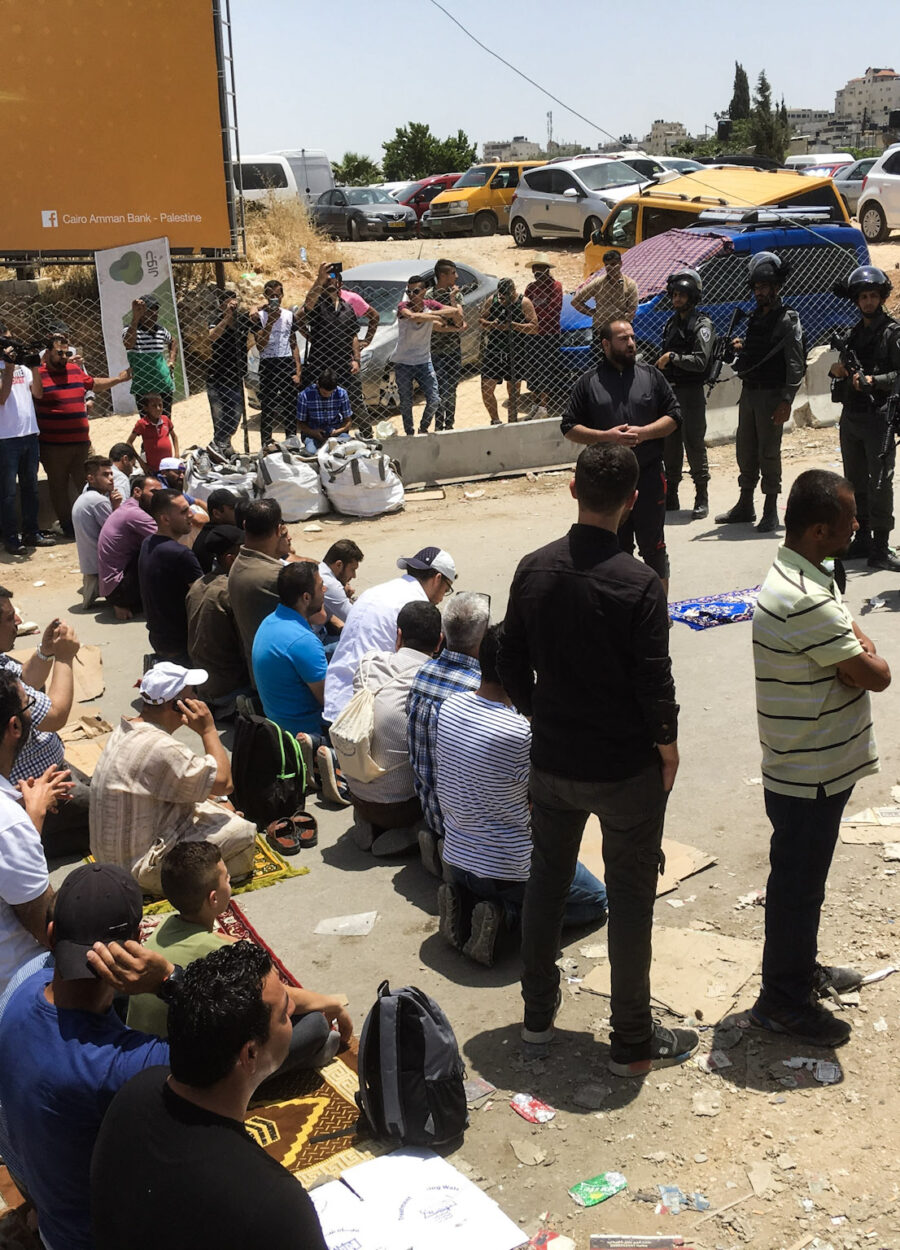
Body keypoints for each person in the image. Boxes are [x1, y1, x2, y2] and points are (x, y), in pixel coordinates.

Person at [498, 444, 698, 1075]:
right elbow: (653, 681)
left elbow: (507, 660)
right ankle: (631, 1043)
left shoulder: (532, 569)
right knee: (631, 901)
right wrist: (667, 748)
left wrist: (540, 715)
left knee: (547, 885)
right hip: (625, 770)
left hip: (554, 764)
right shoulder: (640, 582)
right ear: (633, 501)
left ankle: (536, 1018)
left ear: (571, 489)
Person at [750, 469, 891, 1045]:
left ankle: (797, 974)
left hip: (809, 765)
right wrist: (857, 663)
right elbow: (877, 674)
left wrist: (852, 658)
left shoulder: (806, 573)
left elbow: (856, 650)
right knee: (798, 887)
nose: (857, 526)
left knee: (803, 882)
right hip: (808, 774)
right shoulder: (803, 600)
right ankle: (781, 1000)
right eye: (848, 521)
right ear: (816, 529)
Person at [91, 941, 331, 1250]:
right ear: (250, 1053)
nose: (293, 1009)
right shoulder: (274, 1202)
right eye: (283, 1014)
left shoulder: (136, 1091)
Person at [0, 863, 173, 1250]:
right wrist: (167, 981)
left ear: (50, 934)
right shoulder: (128, 1064)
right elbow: (237, 1037)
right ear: (138, 945)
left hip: (49, 1213)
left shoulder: (19, 992)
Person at [435, 626, 607, 967]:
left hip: (456, 855)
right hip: (509, 871)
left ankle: (469, 901)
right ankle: (507, 915)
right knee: (595, 901)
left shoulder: (450, 706)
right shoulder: (520, 733)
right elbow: (549, 801)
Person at [126, 842, 351, 1055]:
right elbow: (283, 998)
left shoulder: (165, 928)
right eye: (227, 879)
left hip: (145, 1048)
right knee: (313, 1024)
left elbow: (202, 942)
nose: (230, 881)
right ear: (213, 899)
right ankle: (311, 1054)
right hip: (186, 1064)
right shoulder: (221, 952)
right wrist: (332, 1003)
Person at [90, 662, 257, 894]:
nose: (199, 698)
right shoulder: (162, 747)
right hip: (139, 872)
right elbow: (224, 783)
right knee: (244, 833)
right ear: (177, 706)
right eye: (193, 694)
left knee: (217, 804)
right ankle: (202, 884)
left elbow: (185, 781)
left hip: (112, 862)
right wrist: (208, 730)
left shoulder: (126, 729)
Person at [562, 320, 681, 594]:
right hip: (609, 481)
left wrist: (645, 433)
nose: (630, 344)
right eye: (622, 339)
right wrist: (607, 437)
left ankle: (657, 610)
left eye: (632, 337)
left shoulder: (651, 376)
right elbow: (569, 427)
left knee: (654, 547)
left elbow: (675, 416)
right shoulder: (589, 382)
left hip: (649, 475)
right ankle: (621, 606)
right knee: (614, 547)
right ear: (606, 345)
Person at [715, 251, 806, 534]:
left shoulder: (787, 318)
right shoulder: (754, 318)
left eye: (764, 287)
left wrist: (787, 400)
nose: (759, 292)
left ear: (776, 288)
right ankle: (745, 504)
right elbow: (752, 356)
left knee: (769, 453)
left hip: (771, 396)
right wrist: (737, 351)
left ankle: (770, 509)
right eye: (756, 287)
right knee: (746, 450)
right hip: (750, 393)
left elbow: (795, 364)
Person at [346, 600, 442, 856]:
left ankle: (369, 822)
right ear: (439, 641)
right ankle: (411, 832)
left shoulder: (367, 664)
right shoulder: (430, 680)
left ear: (398, 635)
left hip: (355, 792)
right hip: (400, 807)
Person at [324, 545, 457, 724]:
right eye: (446, 589)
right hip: (363, 710)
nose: (442, 597)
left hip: (334, 698)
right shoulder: (415, 606)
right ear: (437, 578)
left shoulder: (378, 591)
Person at [407, 590, 490, 875]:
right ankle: (458, 858)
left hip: (430, 809)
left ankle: (442, 843)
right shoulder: (480, 689)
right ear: (483, 639)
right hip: (470, 824)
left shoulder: (423, 673)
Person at [0, 668, 72, 993]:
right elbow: (48, 929)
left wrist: (28, 808)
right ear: (15, 726)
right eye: (29, 705)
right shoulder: (10, 823)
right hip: (17, 981)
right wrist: (32, 820)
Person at [0, 591, 88, 855]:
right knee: (114, 814)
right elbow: (56, 716)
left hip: (49, 769)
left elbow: (25, 681)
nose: (17, 621)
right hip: (30, 790)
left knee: (105, 791)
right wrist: (64, 658)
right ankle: (30, 839)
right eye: (7, 618)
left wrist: (46, 652)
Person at [830, 265, 900, 571]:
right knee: (854, 481)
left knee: (880, 483)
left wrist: (875, 381)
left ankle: (881, 546)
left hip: (880, 417)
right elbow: (840, 372)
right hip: (853, 417)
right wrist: (839, 371)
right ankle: (862, 538)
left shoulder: (893, 334)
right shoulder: (852, 335)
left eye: (873, 296)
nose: (868, 301)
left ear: (881, 298)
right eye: (863, 297)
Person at [35, 328, 130, 535]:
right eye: (59, 353)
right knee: (58, 487)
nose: (63, 357)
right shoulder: (38, 375)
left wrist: (119, 380)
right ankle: (68, 527)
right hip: (53, 446)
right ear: (48, 352)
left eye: (66, 353)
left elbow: (94, 383)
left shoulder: (75, 370)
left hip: (82, 444)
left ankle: (99, 523)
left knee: (91, 481)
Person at [656, 268, 716, 520]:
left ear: (692, 297)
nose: (676, 299)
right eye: (675, 295)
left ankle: (701, 496)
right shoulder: (671, 324)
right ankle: (672, 495)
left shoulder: (702, 324)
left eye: (682, 295)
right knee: (670, 446)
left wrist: (673, 357)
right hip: (671, 392)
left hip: (691, 393)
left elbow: (701, 361)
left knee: (694, 445)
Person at [302, 260, 380, 437]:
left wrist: (357, 358)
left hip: (345, 363)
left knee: (355, 401)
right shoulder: (318, 304)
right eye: (327, 280)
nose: (330, 282)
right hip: (321, 364)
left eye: (332, 279)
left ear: (340, 283)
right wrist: (318, 280)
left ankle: (367, 436)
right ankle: (314, 436)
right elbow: (307, 306)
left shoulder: (347, 307)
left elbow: (353, 334)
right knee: (316, 400)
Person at [252, 561, 328, 739]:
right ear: (306, 598)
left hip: (278, 724)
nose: (324, 590)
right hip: (307, 734)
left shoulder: (269, 621)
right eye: (320, 586)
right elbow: (330, 702)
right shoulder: (303, 641)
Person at [0, 328, 54, 554]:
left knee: (31, 487)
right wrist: (9, 367)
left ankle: (32, 532)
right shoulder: (6, 368)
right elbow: (2, 398)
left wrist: (34, 366)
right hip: (6, 438)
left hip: (30, 434)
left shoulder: (23, 367)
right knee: (8, 492)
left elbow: (38, 394)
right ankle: (11, 537)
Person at [186, 524, 251, 710]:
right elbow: (246, 645)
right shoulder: (231, 590)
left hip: (204, 687)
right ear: (231, 559)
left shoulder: (198, 585)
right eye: (245, 554)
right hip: (229, 690)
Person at [138, 490, 203, 663]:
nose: (191, 514)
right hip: (181, 643)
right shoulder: (180, 554)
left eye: (189, 508)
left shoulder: (148, 543)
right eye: (183, 512)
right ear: (165, 519)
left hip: (159, 638)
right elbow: (203, 598)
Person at [393, 275, 462, 435]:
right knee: (406, 402)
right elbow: (413, 317)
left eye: (416, 291)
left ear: (424, 291)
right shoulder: (404, 306)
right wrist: (436, 316)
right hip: (403, 362)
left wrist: (450, 300)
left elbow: (454, 311)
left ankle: (423, 428)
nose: (412, 295)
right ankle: (409, 432)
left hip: (423, 360)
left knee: (434, 399)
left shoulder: (429, 305)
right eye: (408, 291)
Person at [228, 497, 293, 661]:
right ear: (279, 530)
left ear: (244, 526)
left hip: (260, 665)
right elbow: (315, 617)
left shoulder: (238, 563)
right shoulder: (277, 576)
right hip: (285, 671)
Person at [97, 474, 163, 620]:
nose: (159, 498)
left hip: (113, 588)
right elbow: (167, 539)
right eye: (154, 493)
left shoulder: (128, 508)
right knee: (162, 551)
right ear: (138, 492)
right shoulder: (135, 514)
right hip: (120, 590)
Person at [250, 279, 302, 447]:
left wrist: (298, 371)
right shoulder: (259, 317)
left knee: (289, 404)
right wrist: (271, 321)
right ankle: (266, 442)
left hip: (286, 362)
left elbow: (293, 343)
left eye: (277, 295)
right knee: (268, 404)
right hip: (268, 363)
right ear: (265, 296)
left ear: (282, 296)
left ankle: (291, 439)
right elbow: (260, 344)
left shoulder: (289, 315)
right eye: (271, 295)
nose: (274, 298)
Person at [480, 278, 538, 425]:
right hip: (494, 350)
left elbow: (534, 327)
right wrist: (492, 324)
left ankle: (512, 421)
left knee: (513, 393)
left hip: (516, 352)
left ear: (514, 291)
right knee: (486, 388)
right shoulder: (492, 301)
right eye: (502, 296)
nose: (504, 299)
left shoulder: (524, 302)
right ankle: (495, 420)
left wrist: (512, 326)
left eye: (508, 296)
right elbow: (481, 320)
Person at [71, 454, 123, 608]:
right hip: (100, 566)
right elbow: (117, 534)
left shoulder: (86, 497)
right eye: (105, 475)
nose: (111, 478)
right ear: (91, 478)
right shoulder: (98, 501)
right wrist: (117, 506)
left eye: (111, 473)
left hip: (89, 563)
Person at [207, 288, 253, 454]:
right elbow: (212, 336)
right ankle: (220, 447)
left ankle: (221, 445)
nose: (231, 304)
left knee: (235, 415)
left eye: (233, 300)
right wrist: (226, 318)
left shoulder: (242, 320)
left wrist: (255, 309)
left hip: (236, 376)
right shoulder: (215, 318)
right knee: (220, 418)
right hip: (217, 377)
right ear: (221, 306)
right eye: (226, 302)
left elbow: (255, 326)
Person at [571, 250, 640, 354]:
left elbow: (631, 312)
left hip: (620, 334)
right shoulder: (598, 283)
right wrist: (594, 313)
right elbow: (576, 301)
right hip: (600, 331)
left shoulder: (629, 284)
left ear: (620, 264)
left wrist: (619, 330)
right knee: (599, 363)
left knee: (621, 361)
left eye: (613, 264)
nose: (609, 268)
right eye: (606, 265)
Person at [523, 254, 563, 420]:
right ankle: (535, 403)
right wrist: (532, 320)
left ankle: (543, 406)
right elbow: (525, 307)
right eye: (536, 268)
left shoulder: (555, 286)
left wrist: (534, 319)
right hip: (532, 335)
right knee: (532, 369)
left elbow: (554, 309)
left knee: (544, 368)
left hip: (549, 334)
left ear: (547, 270)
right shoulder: (531, 288)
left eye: (541, 268)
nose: (538, 272)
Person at [123, 294, 177, 415]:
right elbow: (128, 344)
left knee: (165, 422)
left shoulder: (161, 330)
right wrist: (135, 319)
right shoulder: (131, 329)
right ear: (142, 313)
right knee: (147, 425)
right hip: (143, 387)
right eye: (149, 312)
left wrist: (171, 360)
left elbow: (173, 341)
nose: (154, 315)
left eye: (155, 312)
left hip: (164, 385)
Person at [430, 258, 466, 431]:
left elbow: (460, 321)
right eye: (453, 273)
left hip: (453, 350)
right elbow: (434, 326)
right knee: (438, 390)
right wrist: (453, 325)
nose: (456, 276)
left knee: (451, 389)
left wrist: (452, 300)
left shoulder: (456, 294)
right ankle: (438, 425)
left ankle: (449, 424)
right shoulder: (429, 295)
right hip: (435, 351)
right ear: (442, 275)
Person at [295, 368, 353, 454]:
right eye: (324, 393)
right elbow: (300, 423)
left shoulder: (342, 393)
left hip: (336, 433)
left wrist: (337, 432)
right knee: (311, 452)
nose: (328, 396)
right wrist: (313, 433)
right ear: (318, 384)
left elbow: (348, 421)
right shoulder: (305, 395)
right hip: (313, 434)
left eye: (331, 393)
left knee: (348, 449)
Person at [319, 537, 364, 633]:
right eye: (352, 569)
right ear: (339, 565)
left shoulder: (320, 571)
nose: (354, 576)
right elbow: (356, 620)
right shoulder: (330, 584)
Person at [128, 390, 178, 473]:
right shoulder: (142, 424)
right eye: (154, 406)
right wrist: (142, 463)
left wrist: (177, 455)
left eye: (160, 405)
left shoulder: (165, 420)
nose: (158, 408)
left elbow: (174, 436)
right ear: (146, 408)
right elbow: (129, 442)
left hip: (169, 467)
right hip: (153, 469)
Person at [192, 486, 239, 573]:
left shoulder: (208, 532)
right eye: (232, 508)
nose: (237, 511)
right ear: (216, 513)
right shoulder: (224, 536)